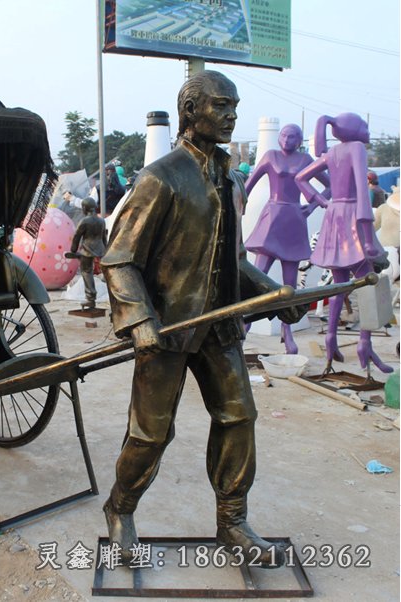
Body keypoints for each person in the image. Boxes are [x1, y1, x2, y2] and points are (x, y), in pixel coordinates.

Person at [101, 70, 305, 567]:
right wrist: (139, 319)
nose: (231, 114)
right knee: (151, 432)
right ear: (191, 111)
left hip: (219, 326)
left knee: (239, 417)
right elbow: (120, 258)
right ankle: (121, 510)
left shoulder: (231, 180)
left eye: (234, 105)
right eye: (220, 105)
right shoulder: (161, 177)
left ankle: (232, 522)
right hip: (167, 328)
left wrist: (275, 295)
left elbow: (233, 262)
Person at [295, 113, 392, 373]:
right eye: (365, 126)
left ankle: (330, 341)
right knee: (367, 284)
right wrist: (367, 235)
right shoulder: (356, 148)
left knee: (339, 284)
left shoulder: (332, 153)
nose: (368, 131)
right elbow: (362, 189)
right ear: (355, 130)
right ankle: (364, 343)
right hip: (353, 220)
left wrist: (322, 202)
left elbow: (300, 178)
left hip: (334, 217)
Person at [243, 124, 330, 354]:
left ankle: (286, 329)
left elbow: (329, 185)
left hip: (293, 220)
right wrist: (238, 206)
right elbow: (248, 185)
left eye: (292, 136)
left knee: (289, 283)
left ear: (299, 140)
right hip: (271, 218)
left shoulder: (305, 159)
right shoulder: (270, 156)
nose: (286, 139)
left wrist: (311, 207)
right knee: (256, 277)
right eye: (283, 134)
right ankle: (245, 324)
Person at [68, 197, 107, 308]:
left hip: (87, 250)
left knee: (86, 272)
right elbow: (104, 238)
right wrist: (107, 250)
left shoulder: (85, 221)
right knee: (106, 272)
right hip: (100, 249)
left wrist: (73, 250)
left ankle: (90, 298)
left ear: (85, 208)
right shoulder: (101, 221)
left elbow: (77, 236)